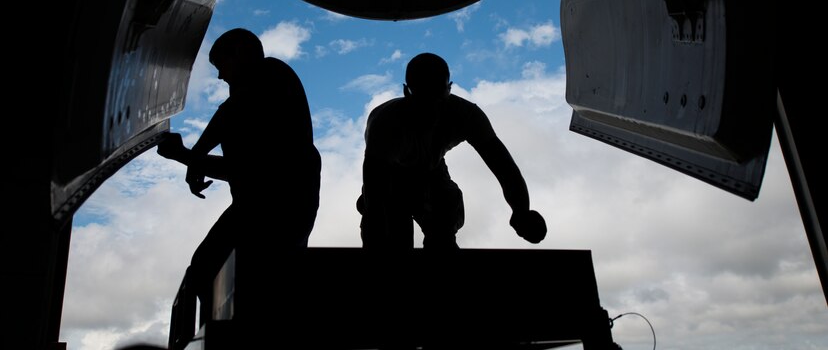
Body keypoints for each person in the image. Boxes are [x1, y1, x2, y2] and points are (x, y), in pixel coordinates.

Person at [157, 28, 321, 325]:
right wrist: (195, 157)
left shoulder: (272, 77)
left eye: (222, 66)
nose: (220, 77)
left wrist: (186, 157)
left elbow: (246, 170)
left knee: (213, 272)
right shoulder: (256, 92)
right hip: (262, 208)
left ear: (242, 55)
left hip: (273, 212)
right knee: (210, 271)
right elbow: (228, 114)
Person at [357, 52, 546, 250]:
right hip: (392, 177)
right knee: (390, 233)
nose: (431, 107)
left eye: (437, 95)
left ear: (449, 88)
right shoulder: (386, 123)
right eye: (423, 98)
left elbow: (504, 166)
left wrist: (521, 210)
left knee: (443, 220)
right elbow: (375, 187)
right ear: (407, 92)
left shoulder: (466, 115)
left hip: (432, 170)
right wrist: (376, 229)